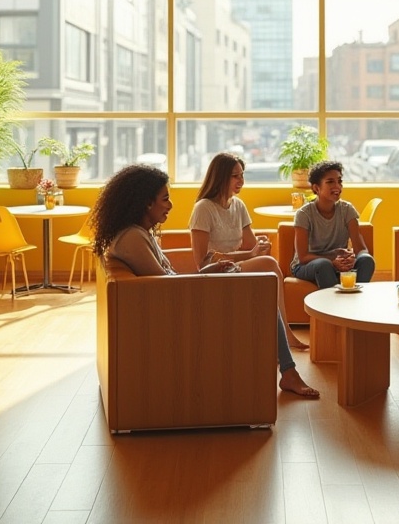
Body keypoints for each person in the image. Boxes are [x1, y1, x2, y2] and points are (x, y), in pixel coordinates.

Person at [91, 163, 320, 399]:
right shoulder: (132, 238)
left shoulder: (137, 233)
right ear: (147, 202)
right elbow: (165, 289)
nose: (170, 205)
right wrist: (205, 277)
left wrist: (208, 271)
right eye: (165, 199)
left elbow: (166, 281)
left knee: (259, 285)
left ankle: (287, 368)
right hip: (184, 309)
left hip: (184, 297)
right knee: (260, 295)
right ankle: (289, 372)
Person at [190, 152, 308, 351]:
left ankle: (276, 336)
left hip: (235, 267)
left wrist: (261, 246)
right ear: (220, 177)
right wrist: (251, 254)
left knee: (268, 264)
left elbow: (251, 245)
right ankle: (284, 335)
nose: (241, 181)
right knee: (270, 264)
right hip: (214, 271)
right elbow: (202, 261)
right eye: (235, 176)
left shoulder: (238, 206)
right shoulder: (203, 208)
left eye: (242, 175)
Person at [290, 161, 375, 288]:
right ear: (316, 188)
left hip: (337, 262)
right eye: (330, 182)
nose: (337, 186)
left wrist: (352, 258)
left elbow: (361, 248)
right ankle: (331, 306)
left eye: (339, 181)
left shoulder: (347, 210)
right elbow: (303, 257)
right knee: (324, 265)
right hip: (307, 266)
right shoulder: (304, 214)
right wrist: (331, 259)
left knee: (367, 260)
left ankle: (356, 301)